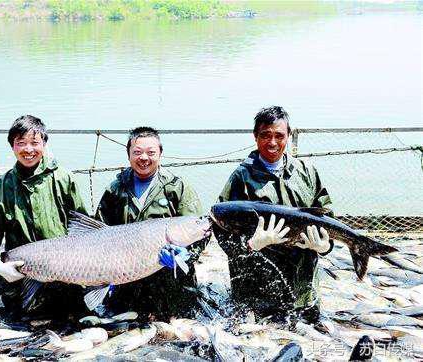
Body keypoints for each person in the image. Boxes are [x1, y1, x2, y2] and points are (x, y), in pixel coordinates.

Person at [217, 106, 334, 323]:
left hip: (303, 291)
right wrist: (250, 245)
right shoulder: (240, 178)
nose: (272, 142)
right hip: (257, 295)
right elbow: (221, 231)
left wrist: (325, 246)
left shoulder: (307, 172)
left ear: (289, 136)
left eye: (279, 136)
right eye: (265, 135)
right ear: (255, 137)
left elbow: (328, 218)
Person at [0, 115, 89, 319]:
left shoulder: (63, 179)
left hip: (67, 279)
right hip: (22, 279)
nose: (28, 149)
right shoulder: (2, 187)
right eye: (21, 143)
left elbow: (83, 228)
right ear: (13, 146)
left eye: (35, 143)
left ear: (44, 143)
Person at [96, 126, 206, 320]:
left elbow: (200, 231)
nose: (144, 158)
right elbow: (98, 232)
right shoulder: (115, 189)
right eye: (137, 152)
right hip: (127, 281)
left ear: (160, 154)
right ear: (128, 155)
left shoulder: (177, 187)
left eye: (150, 152)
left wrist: (187, 254)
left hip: (172, 284)